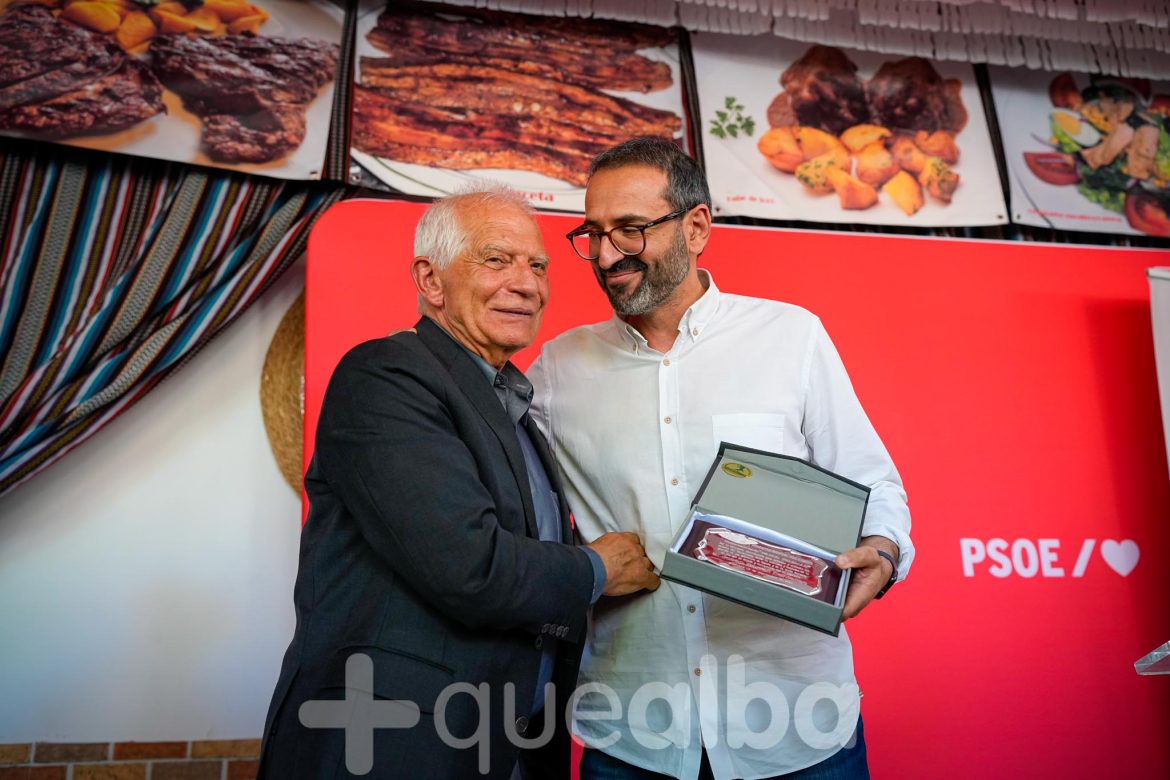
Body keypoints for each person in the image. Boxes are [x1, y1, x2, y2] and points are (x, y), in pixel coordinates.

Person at [528, 138, 914, 780]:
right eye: (592, 234)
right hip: (634, 736)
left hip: (798, 728)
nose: (606, 255)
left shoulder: (791, 337)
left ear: (697, 227)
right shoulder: (557, 370)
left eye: (630, 229)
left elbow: (872, 482)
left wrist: (883, 549)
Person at [258, 187, 659, 780]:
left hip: (506, 741)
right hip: (395, 748)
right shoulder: (385, 377)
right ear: (431, 279)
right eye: (497, 260)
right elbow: (469, 566)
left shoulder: (513, 404)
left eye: (538, 265)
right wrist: (598, 569)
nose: (527, 284)